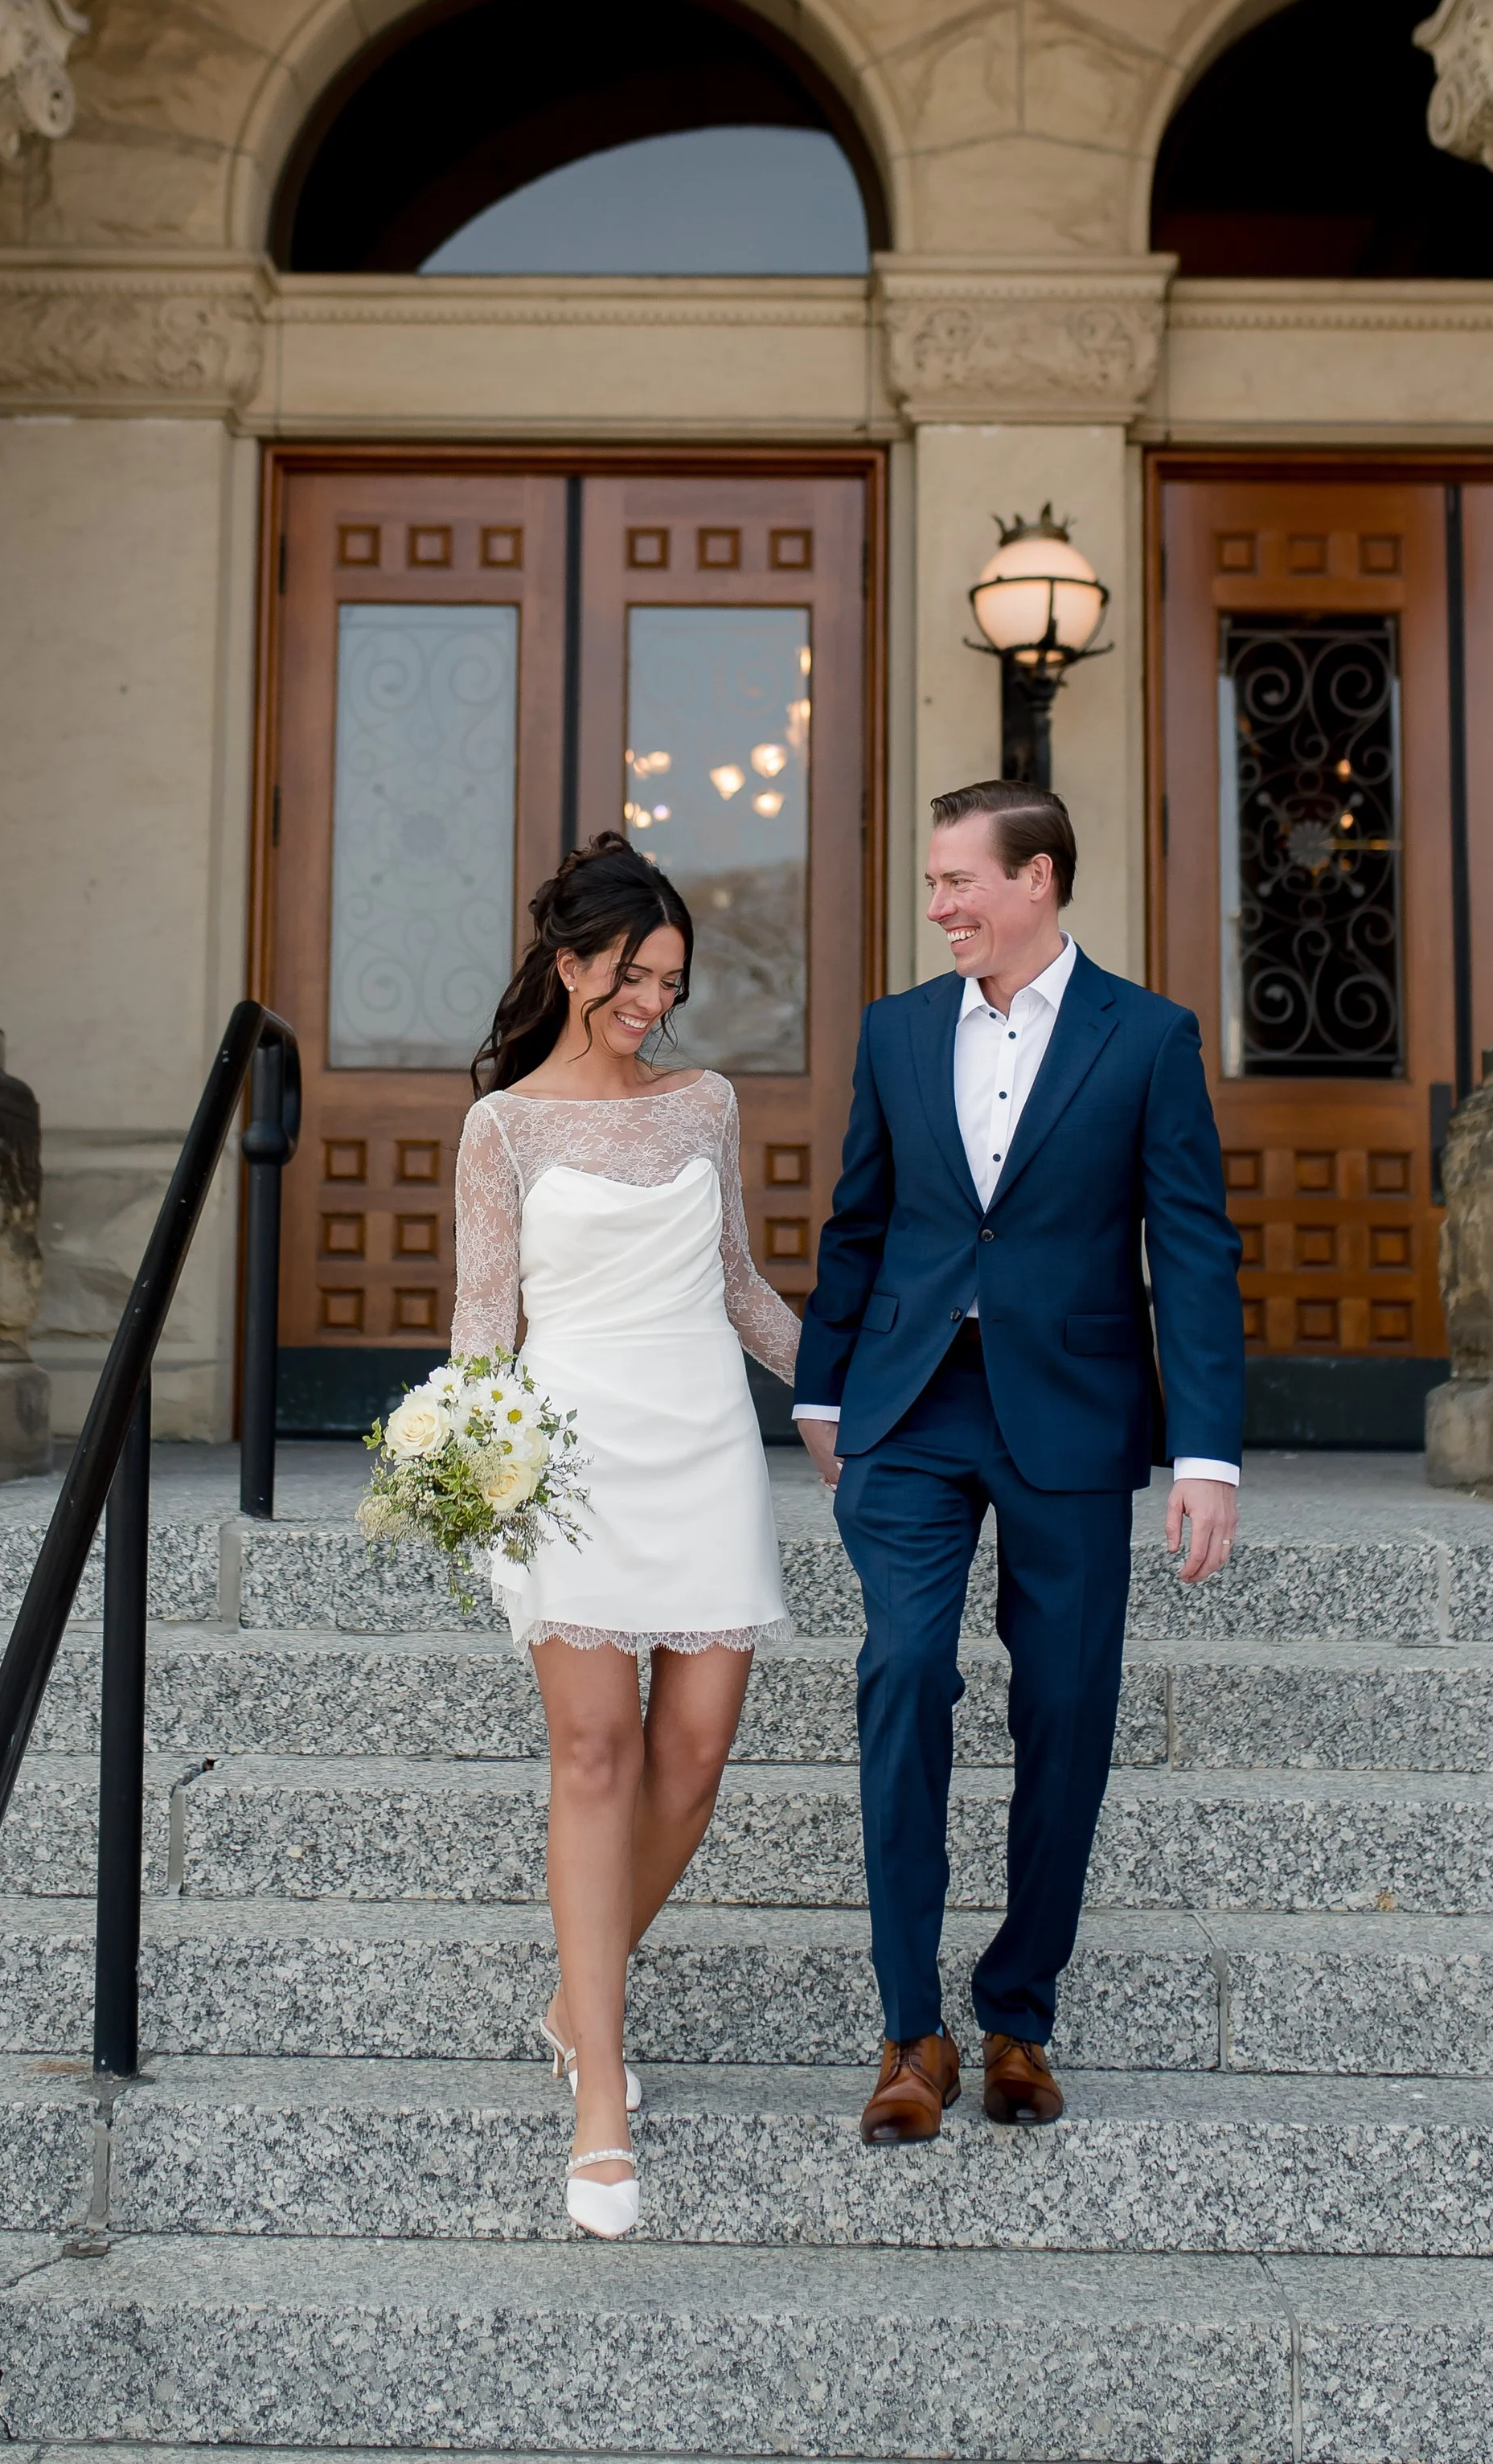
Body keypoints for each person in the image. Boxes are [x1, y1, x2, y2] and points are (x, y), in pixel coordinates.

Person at [793, 779, 1244, 2145]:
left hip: (1072, 1409)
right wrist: (823, 1385)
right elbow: (858, 1218)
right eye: (933, 884)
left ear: (1038, 878)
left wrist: (1206, 1452)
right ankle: (908, 2028)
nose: (938, 908)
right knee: (902, 1667)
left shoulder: (1149, 1038)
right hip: (912, 1403)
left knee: (1065, 1703)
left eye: (957, 881)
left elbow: (1195, 1249)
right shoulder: (896, 1031)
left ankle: (1019, 2017)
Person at [450, 833, 798, 2237]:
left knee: (695, 1754)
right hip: (573, 1458)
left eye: (671, 978)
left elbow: (739, 1282)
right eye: (633, 975)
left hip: (705, 1438)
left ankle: (572, 1989)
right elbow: (486, 1322)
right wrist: (475, 1472)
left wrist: (848, 1391)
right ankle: (600, 2081)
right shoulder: (506, 1128)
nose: (655, 999)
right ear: (571, 962)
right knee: (594, 1752)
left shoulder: (706, 1102)